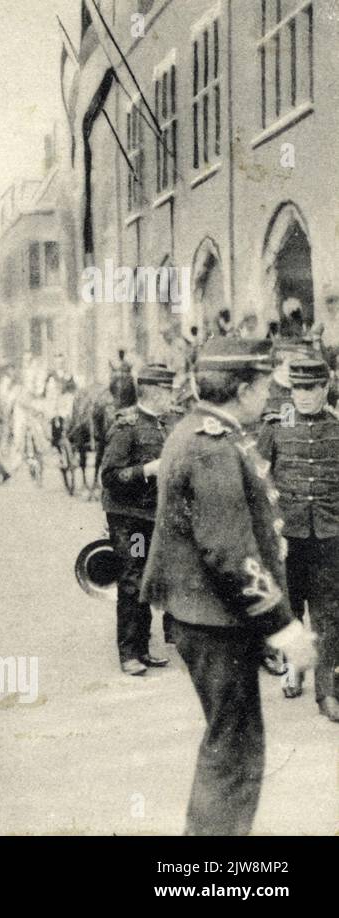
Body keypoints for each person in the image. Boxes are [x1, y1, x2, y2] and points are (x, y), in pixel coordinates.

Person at [140, 336, 316, 835]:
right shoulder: (211, 445)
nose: (269, 394)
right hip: (214, 621)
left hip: (209, 616)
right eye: (264, 384)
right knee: (234, 757)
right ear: (242, 388)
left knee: (231, 749)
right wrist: (283, 626)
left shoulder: (204, 431)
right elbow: (229, 552)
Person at [257, 357, 339, 721]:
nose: (303, 396)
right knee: (290, 612)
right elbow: (258, 480)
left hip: (328, 536)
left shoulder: (336, 427)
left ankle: (327, 693)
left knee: (328, 616)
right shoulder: (277, 425)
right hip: (287, 537)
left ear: (326, 388)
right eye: (297, 389)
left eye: (311, 388)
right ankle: (294, 667)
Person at [99, 363, 178, 676]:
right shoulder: (127, 426)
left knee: (148, 578)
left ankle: (143, 649)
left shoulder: (165, 423)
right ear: (153, 391)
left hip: (154, 515)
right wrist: (147, 470)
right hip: (129, 518)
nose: (170, 395)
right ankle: (129, 652)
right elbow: (109, 476)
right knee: (132, 579)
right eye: (166, 390)